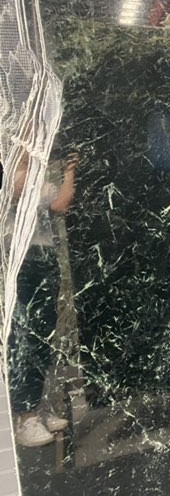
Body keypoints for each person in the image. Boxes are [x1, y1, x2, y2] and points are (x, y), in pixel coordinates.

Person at [7, 150, 77, 447]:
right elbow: (21, 193)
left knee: (43, 335)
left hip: (43, 256)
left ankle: (37, 408)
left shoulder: (36, 175)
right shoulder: (11, 172)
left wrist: (68, 171)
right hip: (21, 258)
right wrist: (31, 159)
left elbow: (59, 204)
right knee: (25, 337)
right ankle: (25, 418)